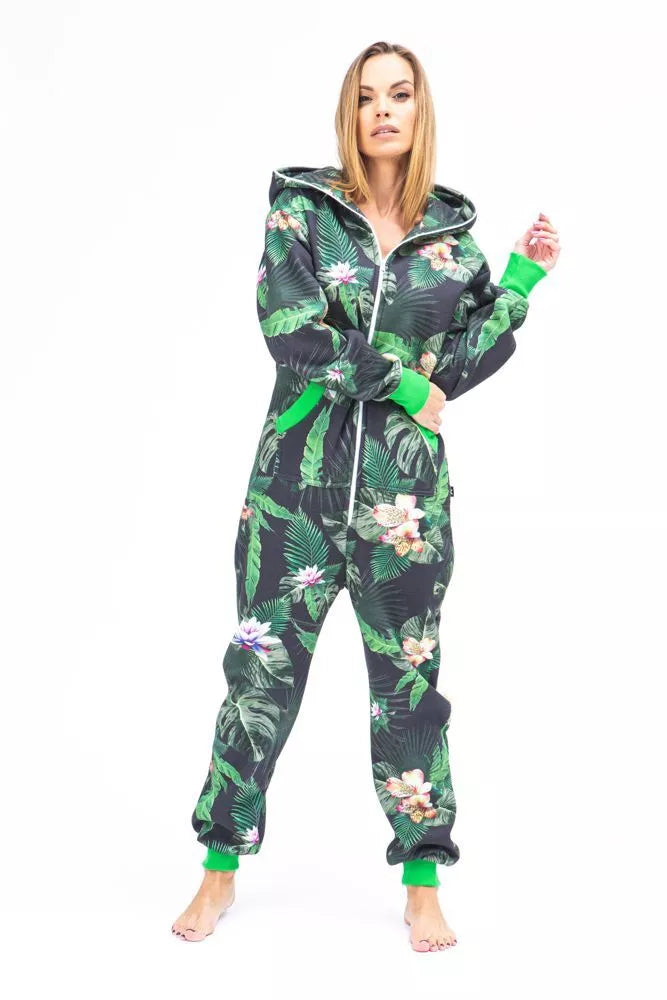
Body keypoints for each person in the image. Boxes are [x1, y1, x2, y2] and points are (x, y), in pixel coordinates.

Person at [172, 40, 560, 950]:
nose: (383, 110)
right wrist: (400, 380)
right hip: (291, 501)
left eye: (399, 95)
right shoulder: (302, 215)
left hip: (406, 512)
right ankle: (218, 869)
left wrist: (517, 283)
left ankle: (422, 882)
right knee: (258, 683)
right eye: (366, 97)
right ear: (348, 114)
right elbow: (292, 332)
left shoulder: (450, 245)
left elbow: (454, 368)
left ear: (421, 112)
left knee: (410, 693)